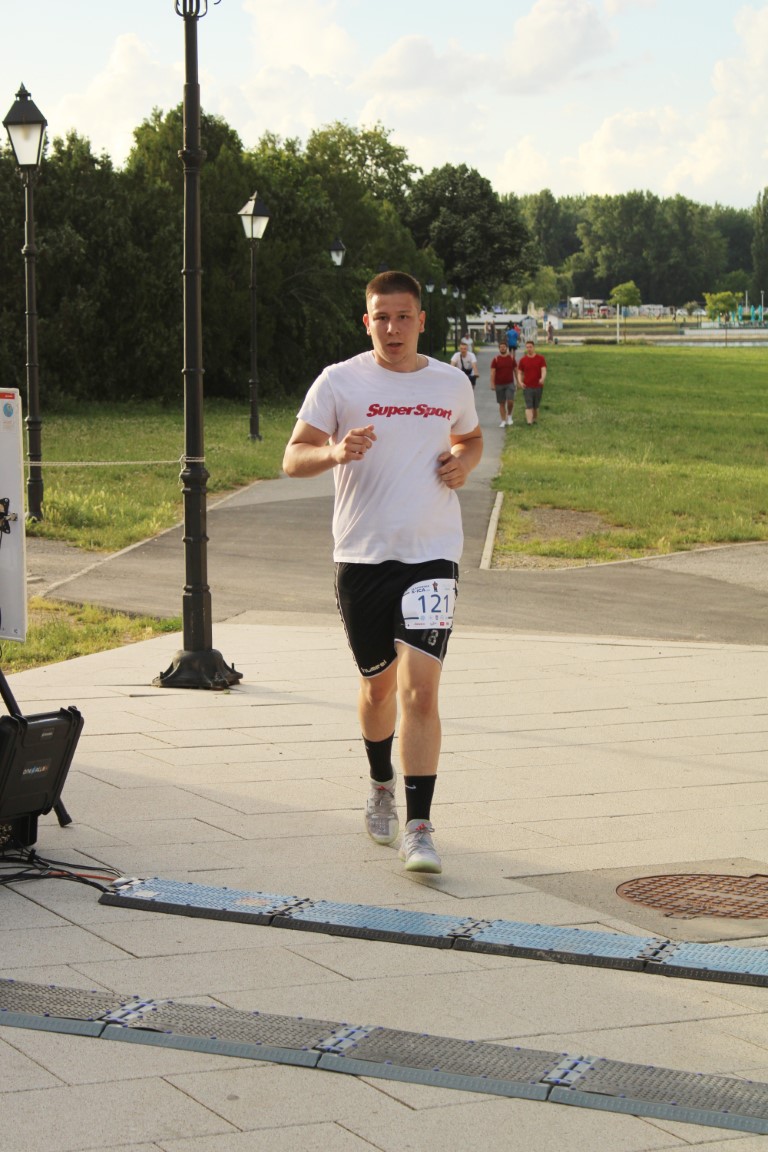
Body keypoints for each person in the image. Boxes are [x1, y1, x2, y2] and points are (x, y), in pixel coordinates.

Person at [283, 271, 483, 874]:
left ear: (421, 321)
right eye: (381, 317)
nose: (392, 329)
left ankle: (419, 829)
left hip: (432, 555)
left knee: (421, 689)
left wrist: (464, 462)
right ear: (366, 321)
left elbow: (470, 438)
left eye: (403, 317)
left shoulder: (450, 381)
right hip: (363, 557)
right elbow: (293, 457)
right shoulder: (338, 381)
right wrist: (334, 451)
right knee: (378, 688)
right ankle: (379, 785)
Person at [517, 339, 548, 425]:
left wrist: (542, 378)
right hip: (527, 386)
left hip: (538, 386)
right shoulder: (523, 360)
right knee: (529, 405)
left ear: (534, 347)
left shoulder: (541, 358)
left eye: (530, 347)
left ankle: (534, 419)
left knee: (536, 406)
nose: (529, 349)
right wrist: (520, 382)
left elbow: (544, 370)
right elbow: (519, 372)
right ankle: (529, 422)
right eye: (527, 347)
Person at [490, 340, 518, 427]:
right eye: (501, 347)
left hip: (510, 383)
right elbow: (492, 372)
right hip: (499, 384)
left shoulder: (511, 358)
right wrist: (492, 384)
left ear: (507, 348)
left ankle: (509, 416)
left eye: (504, 347)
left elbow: (516, 370)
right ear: (499, 349)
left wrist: (518, 382)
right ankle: (503, 420)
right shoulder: (496, 359)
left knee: (510, 401)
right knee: (501, 403)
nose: (502, 348)